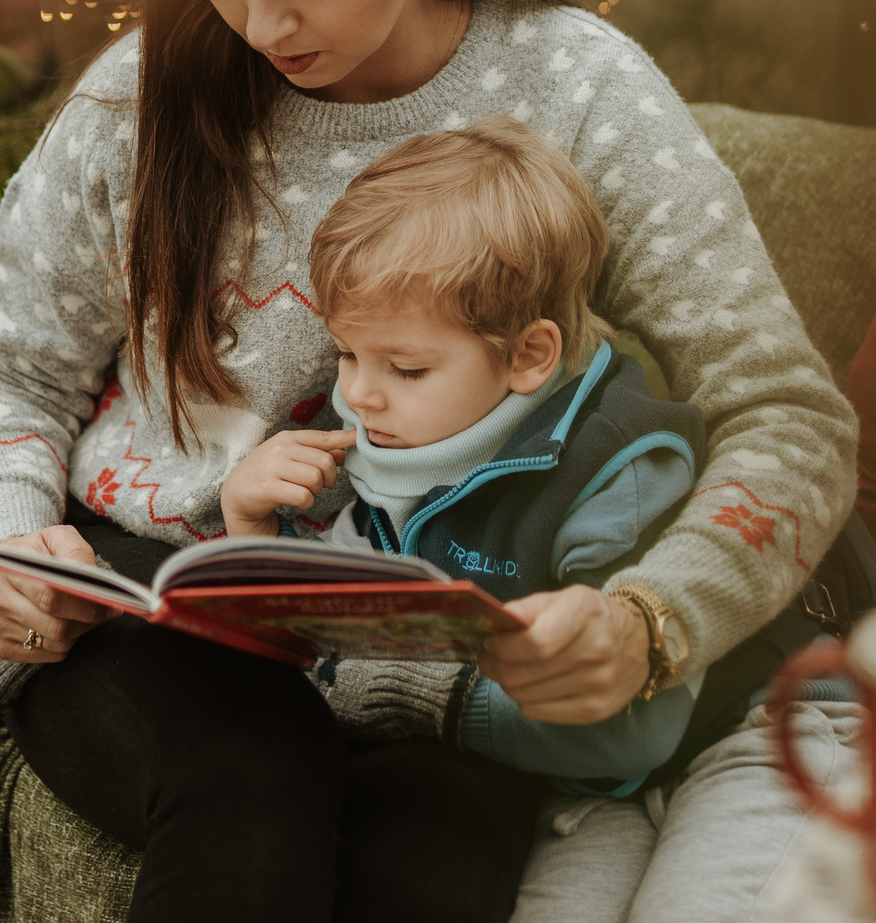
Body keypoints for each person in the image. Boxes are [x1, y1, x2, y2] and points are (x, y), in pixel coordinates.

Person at [0, 0, 863, 923]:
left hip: (418, 614)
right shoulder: (138, 100)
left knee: (434, 868)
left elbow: (789, 415)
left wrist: (655, 617)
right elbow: (4, 370)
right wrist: (12, 532)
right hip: (148, 588)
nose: (260, 22)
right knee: (252, 789)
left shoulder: (577, 89)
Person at [221, 116, 708, 790]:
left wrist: (429, 698)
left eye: (408, 369)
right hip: (547, 791)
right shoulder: (412, 437)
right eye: (347, 352)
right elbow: (328, 623)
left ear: (528, 356)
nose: (359, 394)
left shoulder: (613, 474)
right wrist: (252, 533)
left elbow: (635, 730)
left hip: (719, 750)